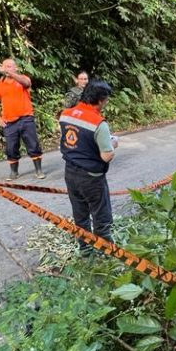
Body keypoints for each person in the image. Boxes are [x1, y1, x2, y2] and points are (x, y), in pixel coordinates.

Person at [59, 81, 119, 251]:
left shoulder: (65, 114)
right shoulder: (99, 123)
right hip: (91, 178)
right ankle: (106, 252)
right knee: (101, 216)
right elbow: (106, 156)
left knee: (80, 214)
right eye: (106, 101)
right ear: (100, 100)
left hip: (70, 173)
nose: (106, 104)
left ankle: (85, 250)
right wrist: (112, 143)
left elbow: (73, 141)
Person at [0, 57, 44, 180]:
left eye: (10, 66)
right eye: (5, 66)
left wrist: (11, 74)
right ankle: (14, 172)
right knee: (11, 147)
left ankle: (39, 170)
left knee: (33, 145)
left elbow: (27, 84)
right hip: (9, 121)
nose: (7, 68)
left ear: (16, 68)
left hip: (26, 118)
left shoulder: (23, 79)